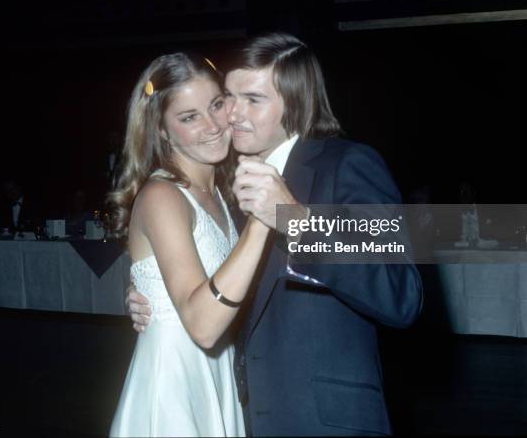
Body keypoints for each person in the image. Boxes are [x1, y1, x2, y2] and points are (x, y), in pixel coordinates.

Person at [128, 33, 423, 436]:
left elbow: (401, 292)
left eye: (253, 99)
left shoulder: (348, 166)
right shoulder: (225, 186)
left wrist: (297, 222)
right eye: (228, 97)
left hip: (326, 421)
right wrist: (149, 288)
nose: (231, 115)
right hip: (243, 413)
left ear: (296, 104)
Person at [106, 52, 284, 437]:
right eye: (190, 117)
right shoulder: (164, 195)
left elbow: (396, 244)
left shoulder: (222, 188)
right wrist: (262, 221)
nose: (215, 125)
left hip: (220, 372)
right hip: (177, 380)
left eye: (216, 105)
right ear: (162, 131)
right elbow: (202, 324)